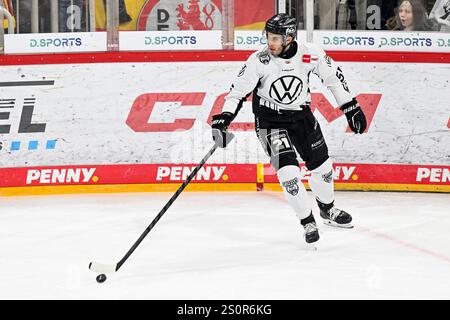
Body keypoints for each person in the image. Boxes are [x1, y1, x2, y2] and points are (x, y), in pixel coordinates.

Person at [210, 13, 367, 245]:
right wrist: (223, 118)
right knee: (289, 174)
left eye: (275, 38)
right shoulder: (258, 61)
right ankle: (307, 221)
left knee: (323, 168)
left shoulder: (310, 53)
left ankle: (328, 209)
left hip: (301, 117)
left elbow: (333, 79)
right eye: (268, 37)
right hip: (270, 123)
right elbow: (236, 94)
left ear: (290, 37)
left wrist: (350, 106)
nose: (270, 43)